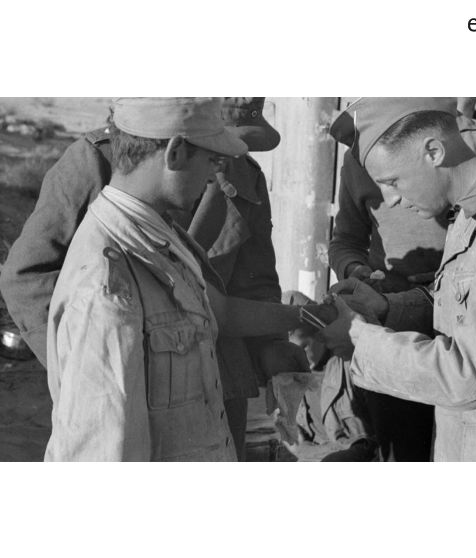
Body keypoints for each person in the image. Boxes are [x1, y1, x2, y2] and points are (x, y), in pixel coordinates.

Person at [0, 97, 307, 460]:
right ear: (178, 146)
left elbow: (234, 295)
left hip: (216, 380)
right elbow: (30, 277)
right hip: (133, 379)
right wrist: (77, 371)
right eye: (215, 151)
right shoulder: (107, 263)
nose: (221, 167)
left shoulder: (223, 186)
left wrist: (290, 331)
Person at [320, 97, 476, 462]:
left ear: (433, 151)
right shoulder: (474, 211)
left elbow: (470, 375)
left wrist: (360, 341)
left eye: (393, 181)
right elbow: (464, 302)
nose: (391, 199)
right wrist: (385, 307)